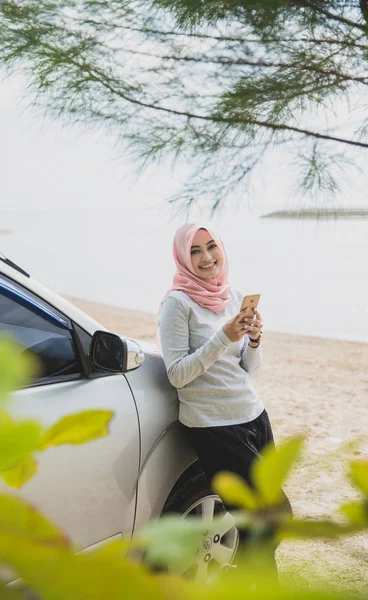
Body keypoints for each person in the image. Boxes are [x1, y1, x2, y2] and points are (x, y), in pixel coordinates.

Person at [158, 221, 288, 579]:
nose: (206, 257)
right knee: (263, 522)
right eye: (195, 251)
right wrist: (222, 336)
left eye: (211, 246)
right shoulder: (176, 304)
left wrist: (254, 340)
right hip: (214, 425)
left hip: (253, 416)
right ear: (182, 258)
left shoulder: (232, 295)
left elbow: (247, 368)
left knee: (269, 519)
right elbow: (178, 375)